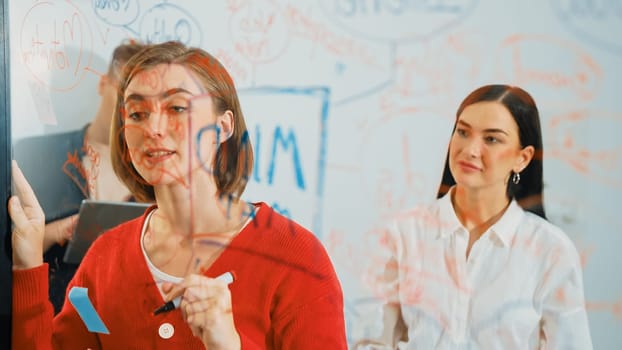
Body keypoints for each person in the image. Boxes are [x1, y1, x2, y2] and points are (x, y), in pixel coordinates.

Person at [10, 41, 347, 349]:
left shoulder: (298, 260)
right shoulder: (105, 258)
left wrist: (229, 345)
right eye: (137, 114)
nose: (152, 129)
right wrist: (27, 264)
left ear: (223, 127)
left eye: (176, 108)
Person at [353, 85, 592, 349]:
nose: (470, 150)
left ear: (523, 158)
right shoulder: (404, 234)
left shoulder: (551, 250)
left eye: (491, 139)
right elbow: (372, 341)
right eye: (463, 132)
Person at [13, 40, 147, 314]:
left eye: (143, 101)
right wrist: (55, 233)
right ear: (103, 84)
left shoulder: (155, 175)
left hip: (120, 323)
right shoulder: (33, 154)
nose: (129, 108)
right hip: (41, 313)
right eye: (124, 92)